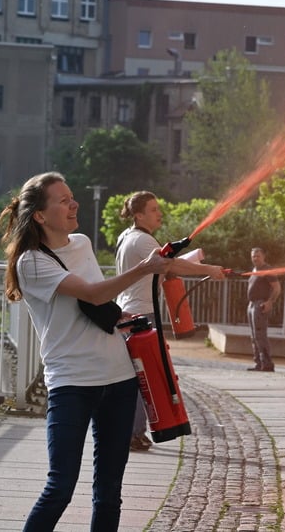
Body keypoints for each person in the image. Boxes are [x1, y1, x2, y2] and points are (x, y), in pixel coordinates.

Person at [0, 172, 177, 531]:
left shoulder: (81, 243)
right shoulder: (31, 262)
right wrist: (146, 267)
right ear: (39, 215)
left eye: (72, 197)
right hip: (72, 383)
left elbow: (100, 300)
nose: (74, 204)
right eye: (63, 200)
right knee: (60, 486)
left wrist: (121, 315)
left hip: (119, 377)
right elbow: (91, 294)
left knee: (109, 491)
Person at [114, 190, 225, 451]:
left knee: (135, 375)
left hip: (129, 310)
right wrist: (208, 269)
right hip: (142, 315)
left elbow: (164, 267)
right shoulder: (143, 241)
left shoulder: (127, 237)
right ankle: (133, 434)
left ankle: (131, 431)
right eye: (153, 209)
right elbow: (171, 267)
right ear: (138, 214)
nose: (159, 213)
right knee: (146, 376)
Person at [245, 247, 282, 372]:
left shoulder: (267, 270)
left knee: (260, 335)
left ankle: (267, 363)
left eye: (258, 256)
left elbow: (276, 288)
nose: (255, 258)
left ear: (263, 256)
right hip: (251, 305)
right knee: (254, 336)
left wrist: (270, 302)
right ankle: (258, 363)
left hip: (260, 304)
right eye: (253, 256)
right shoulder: (255, 270)